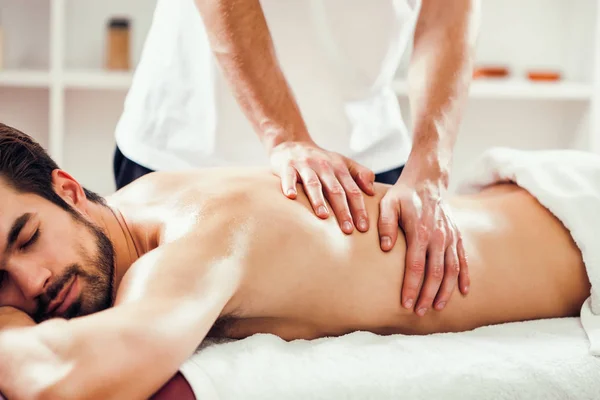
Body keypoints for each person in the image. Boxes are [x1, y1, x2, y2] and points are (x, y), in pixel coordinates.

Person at [0, 125, 591, 399]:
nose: (32, 282)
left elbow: (60, 379)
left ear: (69, 189)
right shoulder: (140, 200)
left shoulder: (194, 242)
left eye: (26, 238)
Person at [113, 0, 481, 314]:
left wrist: (430, 169)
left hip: (365, 163)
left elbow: (447, 12)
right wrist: (285, 136)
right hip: (187, 151)